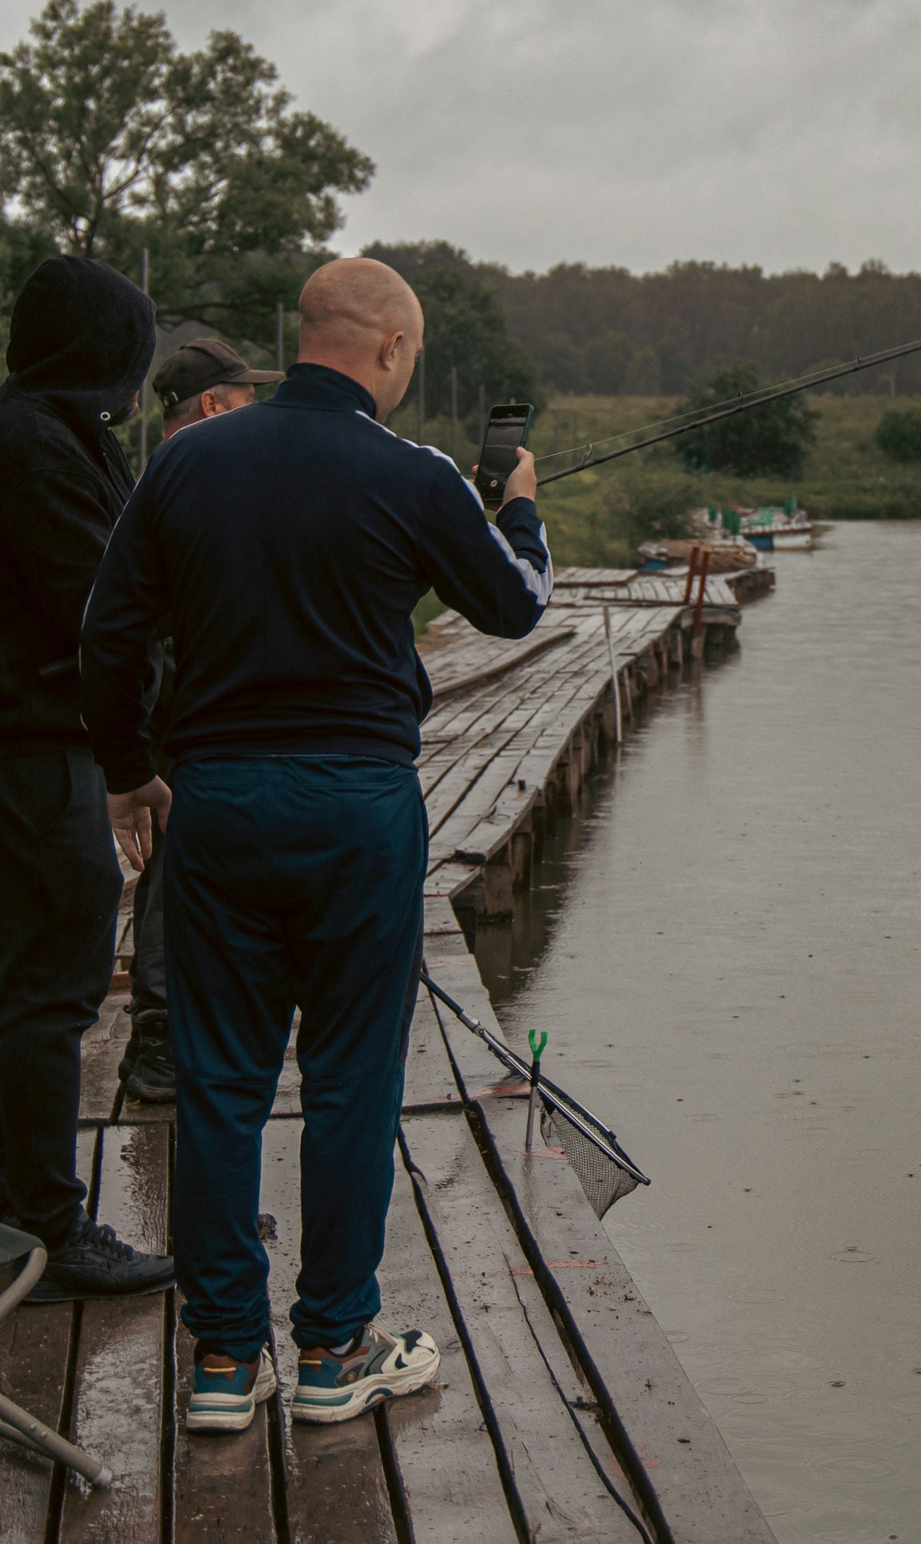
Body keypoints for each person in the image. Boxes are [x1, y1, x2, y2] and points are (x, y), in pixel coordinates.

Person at [80, 257, 550, 1432]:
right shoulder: (415, 474)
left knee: (219, 1082)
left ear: (305, 336)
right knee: (350, 1081)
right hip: (357, 810)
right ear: (389, 348)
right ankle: (336, 1347)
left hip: (218, 805)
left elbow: (108, 634)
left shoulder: (186, 461)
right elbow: (517, 604)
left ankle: (224, 1360)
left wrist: (130, 770)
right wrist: (518, 506)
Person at [0, 255, 177, 1302]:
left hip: (1, 744)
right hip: (26, 751)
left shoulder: (47, 427)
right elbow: (104, 618)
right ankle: (47, 1228)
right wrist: (134, 759)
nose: (137, 378)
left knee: (1, 983)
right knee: (51, 988)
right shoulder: (36, 446)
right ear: (96, 351)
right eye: (130, 354)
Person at [118, 339, 283, 1106]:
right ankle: (159, 1038)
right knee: (171, 876)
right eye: (244, 397)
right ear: (214, 405)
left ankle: (187, 1028)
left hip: (193, 715)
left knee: (190, 876)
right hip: (182, 720)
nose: (254, 410)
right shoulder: (181, 484)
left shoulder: (173, 478)